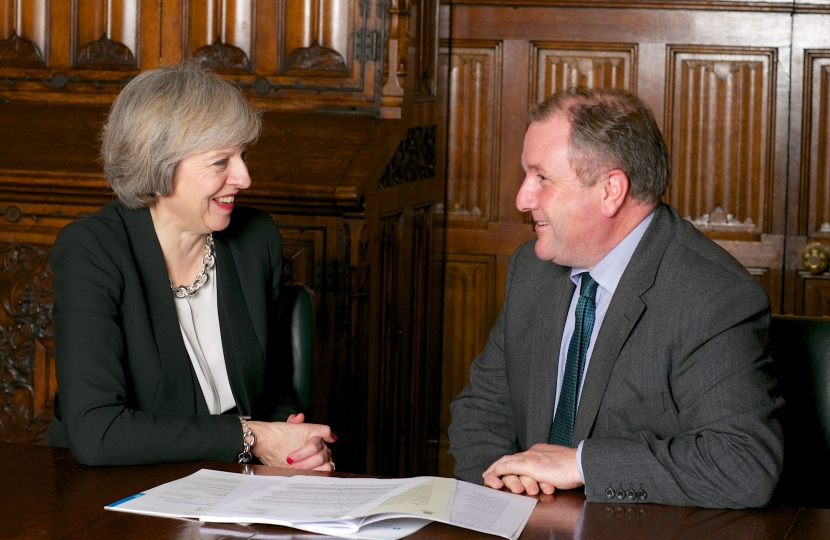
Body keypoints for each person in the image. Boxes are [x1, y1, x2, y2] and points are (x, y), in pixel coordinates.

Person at [448, 87, 783, 508]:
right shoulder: (532, 268)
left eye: (542, 178)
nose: (521, 199)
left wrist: (582, 465)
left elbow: (743, 465)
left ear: (611, 190)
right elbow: (481, 409)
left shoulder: (712, 296)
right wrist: (505, 489)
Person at [46, 61, 336, 469]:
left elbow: (270, 394)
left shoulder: (256, 238)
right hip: (116, 491)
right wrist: (252, 437)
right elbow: (98, 432)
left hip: (233, 480)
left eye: (243, 155)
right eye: (221, 162)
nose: (244, 177)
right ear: (160, 168)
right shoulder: (91, 250)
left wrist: (296, 446)